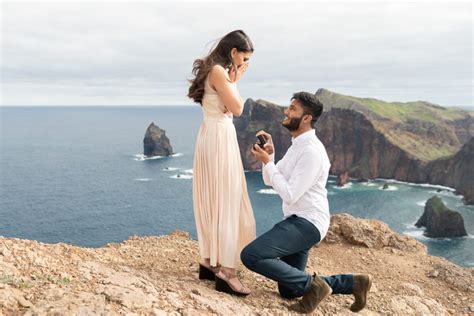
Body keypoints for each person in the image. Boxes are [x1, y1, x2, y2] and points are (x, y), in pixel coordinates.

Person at [241, 92, 372, 313]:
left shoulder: (311, 151)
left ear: (306, 118)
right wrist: (269, 158)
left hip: (307, 222)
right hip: (298, 220)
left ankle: (314, 286)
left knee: (251, 255)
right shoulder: (297, 145)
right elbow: (269, 178)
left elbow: (290, 194)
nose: (286, 111)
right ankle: (354, 283)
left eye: (292, 109)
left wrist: (269, 164)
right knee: (289, 290)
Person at [187, 30, 256, 296]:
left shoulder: (214, 71)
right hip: (219, 137)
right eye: (244, 58)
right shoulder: (219, 71)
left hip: (210, 134)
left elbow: (230, 106)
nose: (244, 64)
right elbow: (237, 109)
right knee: (226, 199)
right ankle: (227, 272)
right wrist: (236, 79)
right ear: (234, 52)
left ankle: (208, 261)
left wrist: (232, 83)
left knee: (213, 198)